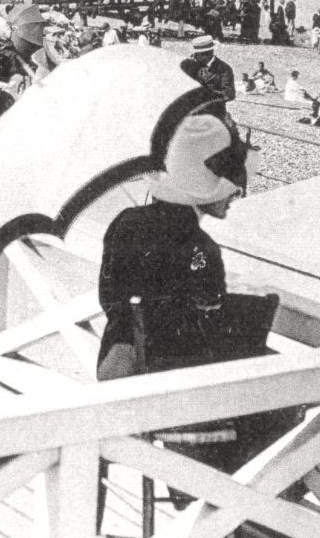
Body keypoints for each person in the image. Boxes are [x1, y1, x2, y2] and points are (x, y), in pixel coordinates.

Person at [94, 110, 249, 381]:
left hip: (114, 363)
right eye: (230, 185)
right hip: (168, 378)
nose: (236, 193)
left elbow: (112, 296)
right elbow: (207, 313)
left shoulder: (126, 221)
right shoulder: (200, 248)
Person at [179, 35, 236, 116]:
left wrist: (206, 95)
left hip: (213, 114)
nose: (193, 56)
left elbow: (229, 94)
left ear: (206, 55)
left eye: (196, 54)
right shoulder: (192, 65)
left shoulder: (224, 69)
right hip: (192, 114)